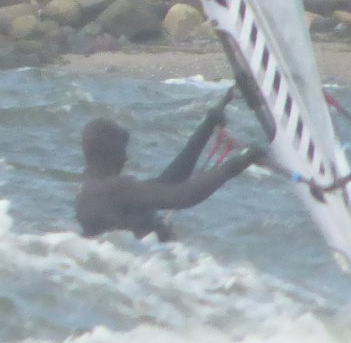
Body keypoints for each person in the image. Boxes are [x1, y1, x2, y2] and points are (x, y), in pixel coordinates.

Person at [75, 95, 263, 241]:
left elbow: (167, 184)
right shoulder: (113, 189)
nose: (125, 158)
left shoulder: (92, 189)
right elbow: (183, 196)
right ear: (107, 154)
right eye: (122, 151)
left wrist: (207, 127)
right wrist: (239, 162)